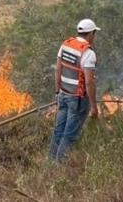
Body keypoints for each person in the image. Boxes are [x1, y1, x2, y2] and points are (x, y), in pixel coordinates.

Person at [49, 18, 100, 162]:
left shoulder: (65, 45)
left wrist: (57, 92)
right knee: (69, 135)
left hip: (63, 95)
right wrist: (94, 107)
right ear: (91, 34)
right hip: (77, 99)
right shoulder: (88, 53)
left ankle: (51, 163)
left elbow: (58, 69)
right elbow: (89, 82)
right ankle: (58, 168)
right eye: (94, 34)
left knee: (58, 131)